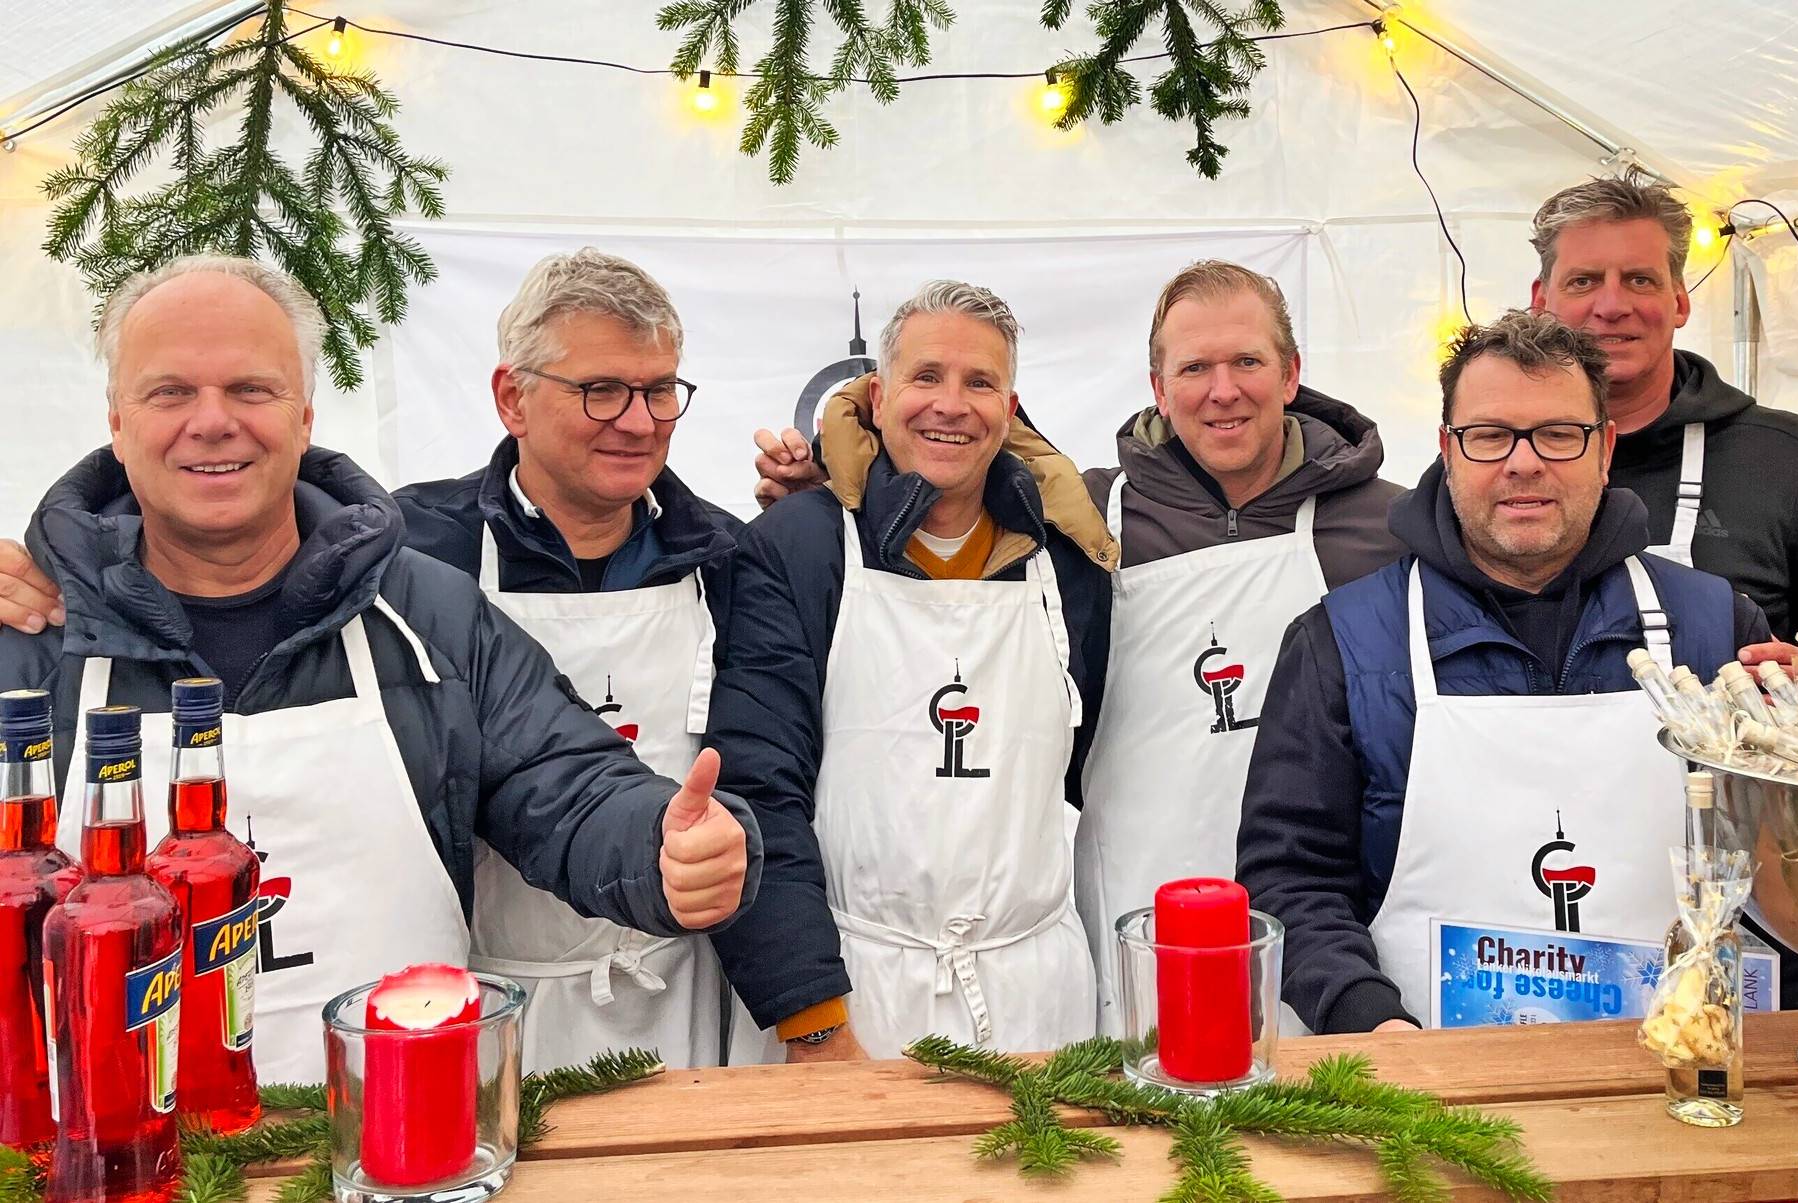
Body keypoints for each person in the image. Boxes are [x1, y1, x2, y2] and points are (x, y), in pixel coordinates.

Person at [0, 256, 757, 1082]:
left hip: (409, 1145)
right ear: (116, 419)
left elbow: (562, 777)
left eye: (252, 390)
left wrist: (662, 846)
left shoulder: (423, 609)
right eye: (170, 392)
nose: (212, 421)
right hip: (119, 1158)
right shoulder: (30, 635)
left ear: (305, 416)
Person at [751, 261, 1406, 1035]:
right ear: (1158, 387)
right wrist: (829, 508)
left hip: (1319, 933)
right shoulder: (1088, 522)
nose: (1221, 389)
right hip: (1128, 925)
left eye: (1247, 362)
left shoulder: (1391, 531)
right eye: (1193, 367)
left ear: (1292, 373)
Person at [1237, 310, 1782, 1035]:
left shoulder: (1716, 631)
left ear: (1605, 448)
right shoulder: (1342, 641)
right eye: (1490, 435)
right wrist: (1366, 1018)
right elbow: (1290, 876)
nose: (1523, 463)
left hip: (1675, 1072)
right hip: (1424, 1083)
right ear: (1447, 450)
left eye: (1558, 434)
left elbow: (1786, 869)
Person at [706, 280, 1114, 1061]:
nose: (951, 405)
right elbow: (758, 790)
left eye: (980, 382)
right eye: (927, 377)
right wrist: (811, 1018)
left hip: (1036, 997)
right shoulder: (800, 546)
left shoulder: (1067, 559)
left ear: (1011, 405)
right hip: (852, 991)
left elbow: (1071, 764)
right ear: (880, 393)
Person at [387, 249, 768, 1071]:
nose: (639, 420)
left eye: (660, 389)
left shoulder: (725, 561)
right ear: (511, 398)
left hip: (682, 989)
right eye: (601, 389)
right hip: (487, 1000)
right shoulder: (411, 555)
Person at [1528, 175, 1798, 669]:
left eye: (1639, 280)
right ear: (1542, 301)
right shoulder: (1498, 461)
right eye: (1583, 281)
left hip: (1731, 748)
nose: (1612, 306)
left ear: (1680, 302)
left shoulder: (1788, 460)